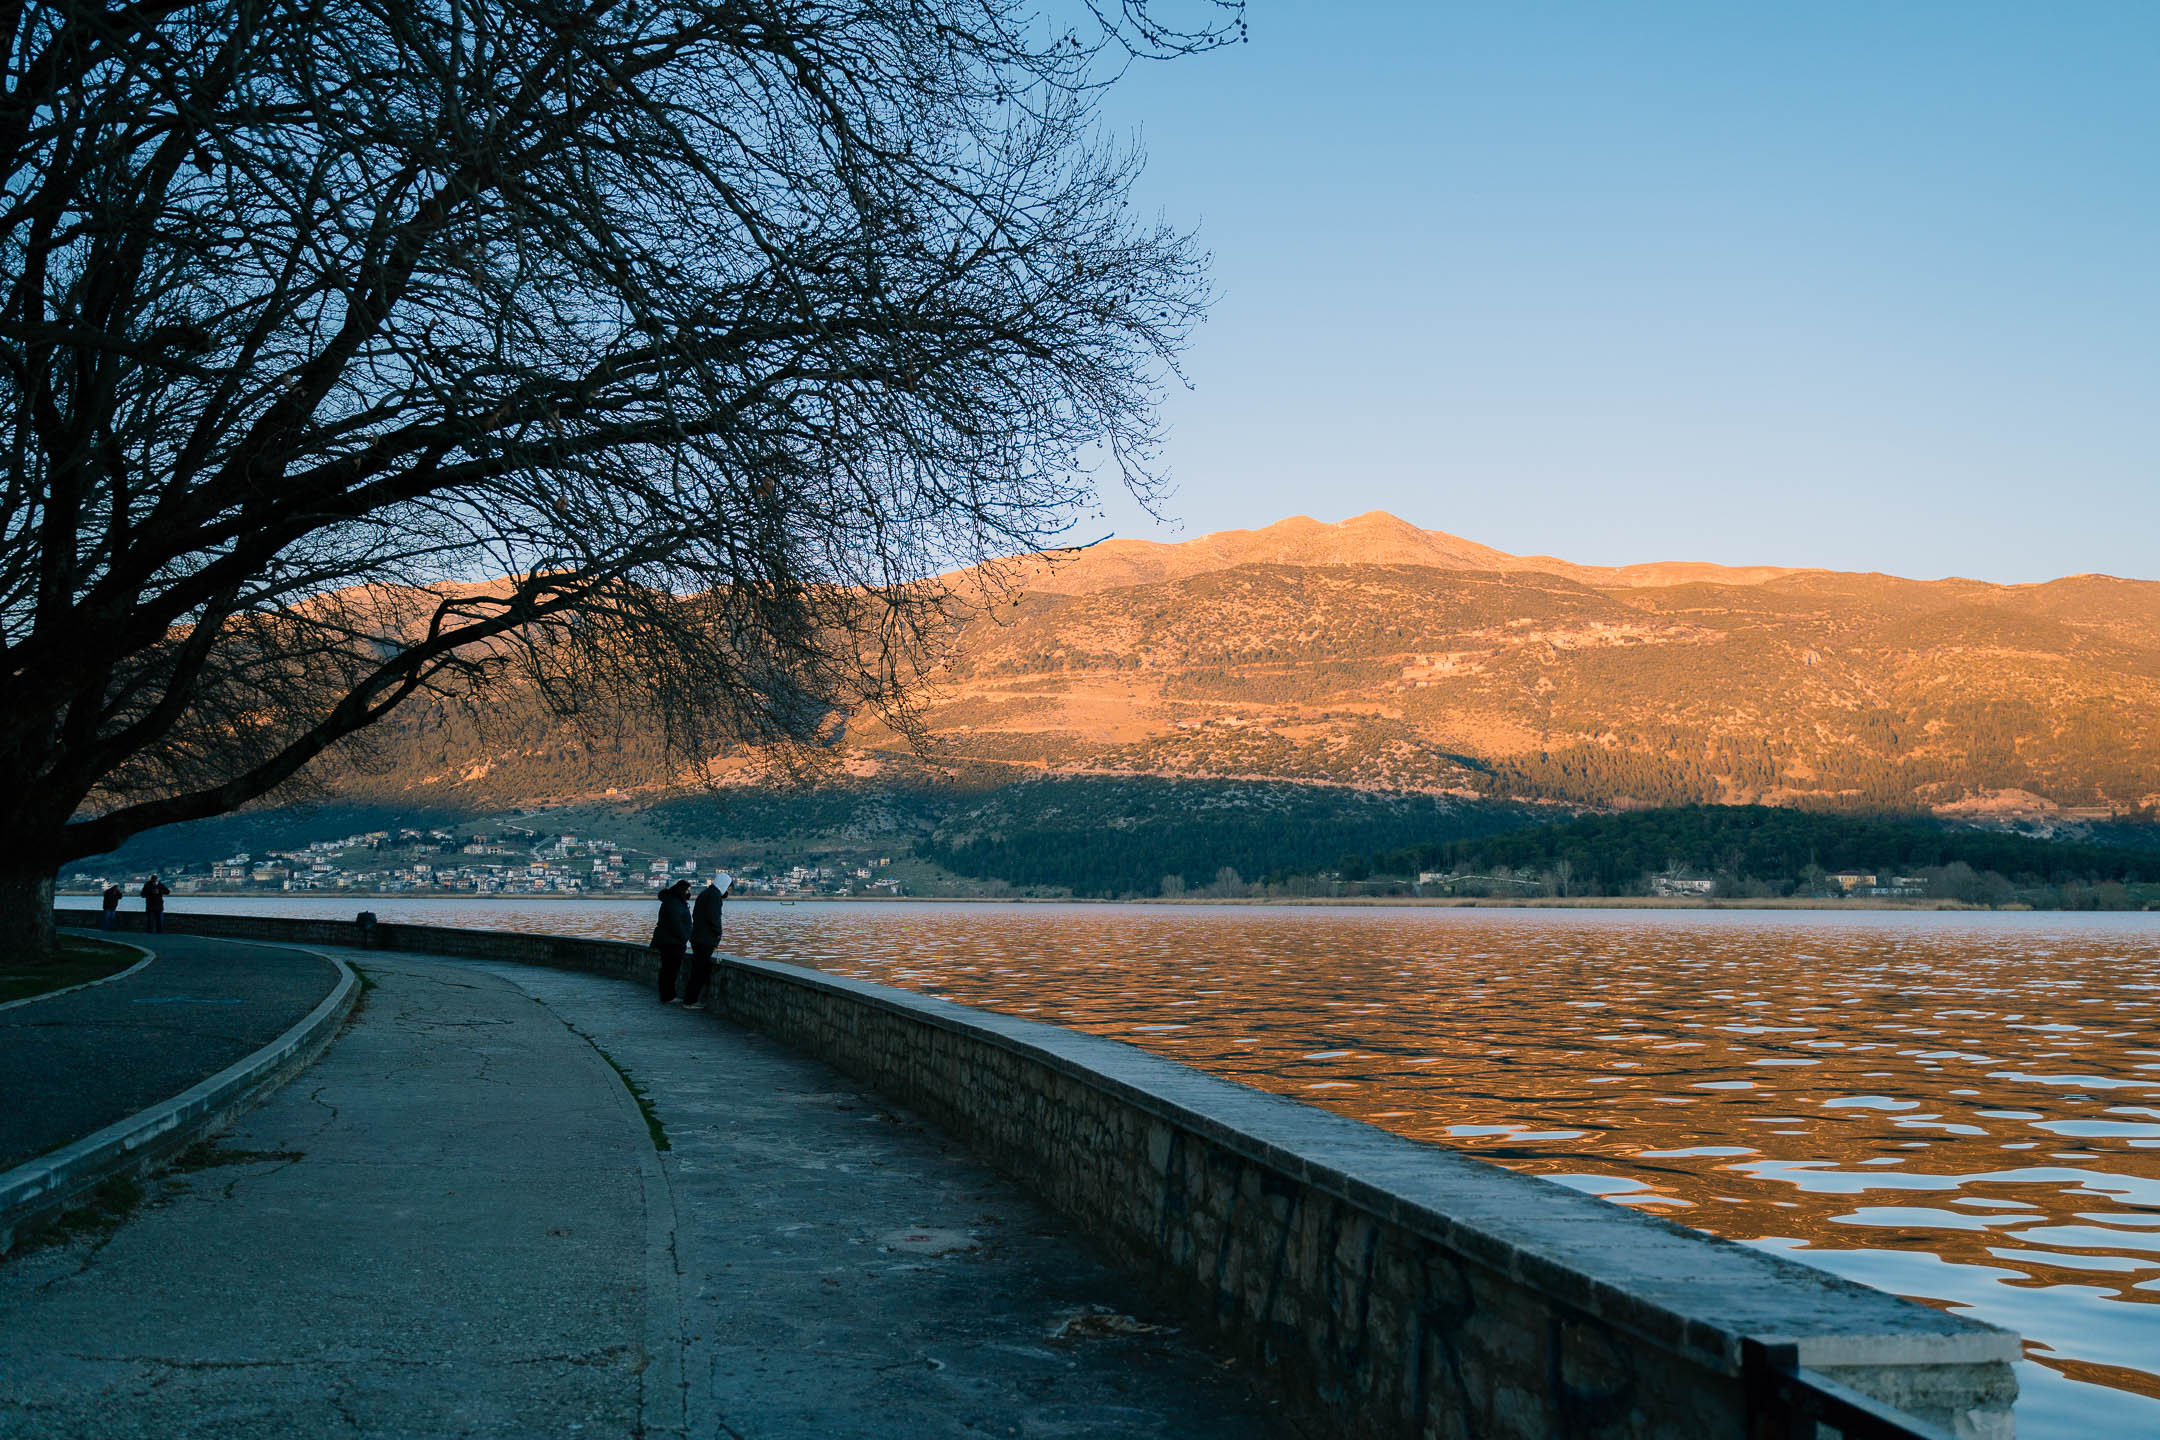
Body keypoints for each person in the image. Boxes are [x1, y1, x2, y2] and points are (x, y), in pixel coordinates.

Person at [683, 870, 734, 1011]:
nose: (728, 891)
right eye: (729, 888)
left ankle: (690, 999)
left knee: (697, 970)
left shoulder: (705, 894)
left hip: (697, 936)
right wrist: (718, 933)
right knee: (700, 971)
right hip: (705, 939)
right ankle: (690, 1001)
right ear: (724, 885)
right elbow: (714, 917)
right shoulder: (714, 896)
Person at [650, 878, 692, 1004]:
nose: (689, 893)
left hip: (669, 940)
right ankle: (668, 995)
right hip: (673, 942)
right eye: (687, 890)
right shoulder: (674, 903)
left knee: (667, 969)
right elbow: (676, 924)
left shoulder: (671, 901)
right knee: (670, 970)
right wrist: (684, 936)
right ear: (682, 890)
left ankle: (667, 994)